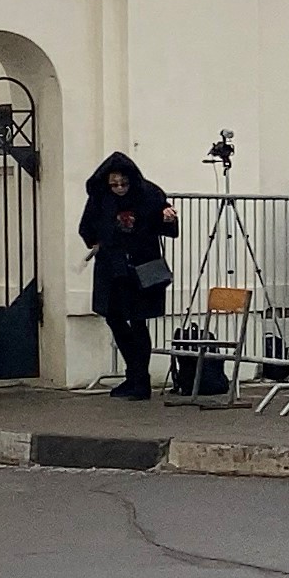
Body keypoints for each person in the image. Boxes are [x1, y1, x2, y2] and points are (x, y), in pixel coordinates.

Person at [76, 150, 181, 399]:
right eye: (115, 184)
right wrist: (99, 240)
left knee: (138, 321)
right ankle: (133, 375)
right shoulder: (100, 198)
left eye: (124, 183)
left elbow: (168, 226)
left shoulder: (149, 194)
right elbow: (87, 227)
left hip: (140, 268)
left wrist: (167, 218)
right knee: (115, 318)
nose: (120, 188)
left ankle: (140, 379)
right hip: (113, 268)